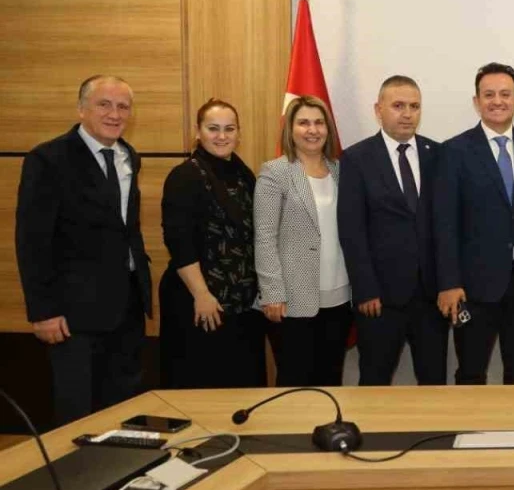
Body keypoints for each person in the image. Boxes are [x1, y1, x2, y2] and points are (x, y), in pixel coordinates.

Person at [15, 75, 152, 424]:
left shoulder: (129, 156)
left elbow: (125, 229)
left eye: (123, 107)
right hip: (72, 314)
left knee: (123, 409)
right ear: (81, 109)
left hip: (126, 306)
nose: (114, 114)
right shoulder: (48, 159)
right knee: (76, 412)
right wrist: (42, 311)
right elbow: (32, 241)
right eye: (104, 104)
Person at [434, 63, 514, 384]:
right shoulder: (454, 151)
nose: (497, 101)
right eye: (489, 94)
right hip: (473, 287)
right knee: (470, 371)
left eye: (505, 94)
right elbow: (444, 222)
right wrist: (449, 282)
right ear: (476, 101)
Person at [338, 76, 449, 385]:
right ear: (378, 110)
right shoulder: (356, 158)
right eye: (398, 106)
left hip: (431, 296)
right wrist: (365, 289)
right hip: (380, 298)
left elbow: (445, 224)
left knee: (434, 383)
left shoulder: (437, 154)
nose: (407, 114)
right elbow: (352, 230)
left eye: (414, 106)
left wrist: (449, 282)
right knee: (375, 381)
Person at [161, 99, 266, 388]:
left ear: (238, 133)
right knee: (203, 387)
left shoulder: (244, 174)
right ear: (198, 132)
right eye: (213, 128)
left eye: (229, 129)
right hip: (201, 302)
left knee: (242, 387)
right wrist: (202, 294)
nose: (222, 136)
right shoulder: (184, 176)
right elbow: (178, 241)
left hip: (242, 303)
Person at [255, 95, 352, 387]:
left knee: (330, 380)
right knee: (295, 381)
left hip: (340, 296)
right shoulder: (275, 172)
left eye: (319, 123)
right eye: (304, 123)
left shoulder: (341, 170)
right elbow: (264, 236)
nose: (312, 130)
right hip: (292, 300)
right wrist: (272, 292)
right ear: (291, 129)